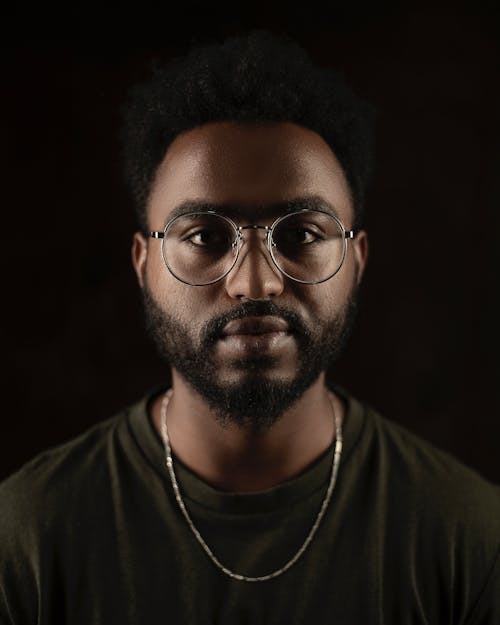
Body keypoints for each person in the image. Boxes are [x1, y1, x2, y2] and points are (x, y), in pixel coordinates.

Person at [1, 30, 499, 624]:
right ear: (143, 264)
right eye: (206, 238)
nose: (255, 283)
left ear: (357, 262)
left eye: (302, 235)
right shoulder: (26, 538)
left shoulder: (468, 537)